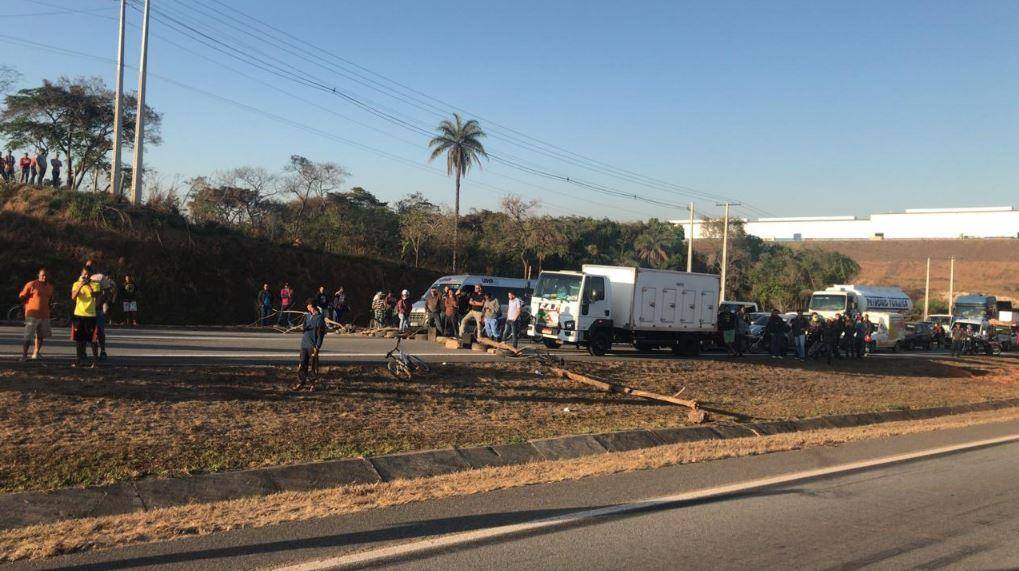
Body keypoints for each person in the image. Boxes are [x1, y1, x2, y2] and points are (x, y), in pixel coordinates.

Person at [18, 268, 54, 361]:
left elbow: (50, 300)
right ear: (38, 275)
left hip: (44, 315)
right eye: (42, 275)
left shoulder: (50, 287)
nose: (44, 277)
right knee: (28, 335)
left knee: (41, 336)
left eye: (46, 275)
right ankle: (24, 355)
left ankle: (36, 353)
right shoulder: (32, 284)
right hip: (32, 314)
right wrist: (24, 306)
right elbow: (22, 296)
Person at [293, 298, 326, 391]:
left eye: (308, 305)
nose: (307, 306)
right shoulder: (307, 316)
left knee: (313, 365)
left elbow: (321, 334)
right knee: (302, 364)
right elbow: (304, 327)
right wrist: (300, 328)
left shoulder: (319, 318)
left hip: (313, 345)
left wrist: (317, 346)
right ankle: (301, 382)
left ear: (312, 306)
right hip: (304, 344)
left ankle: (313, 384)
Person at [70, 269, 100, 367]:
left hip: (90, 315)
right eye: (84, 274)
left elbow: (94, 295)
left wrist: (88, 285)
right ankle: (79, 359)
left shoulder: (95, 284)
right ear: (81, 275)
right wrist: (80, 285)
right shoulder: (76, 284)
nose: (86, 276)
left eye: (88, 275)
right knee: (79, 340)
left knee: (92, 340)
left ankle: (95, 361)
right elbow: (73, 297)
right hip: (79, 314)